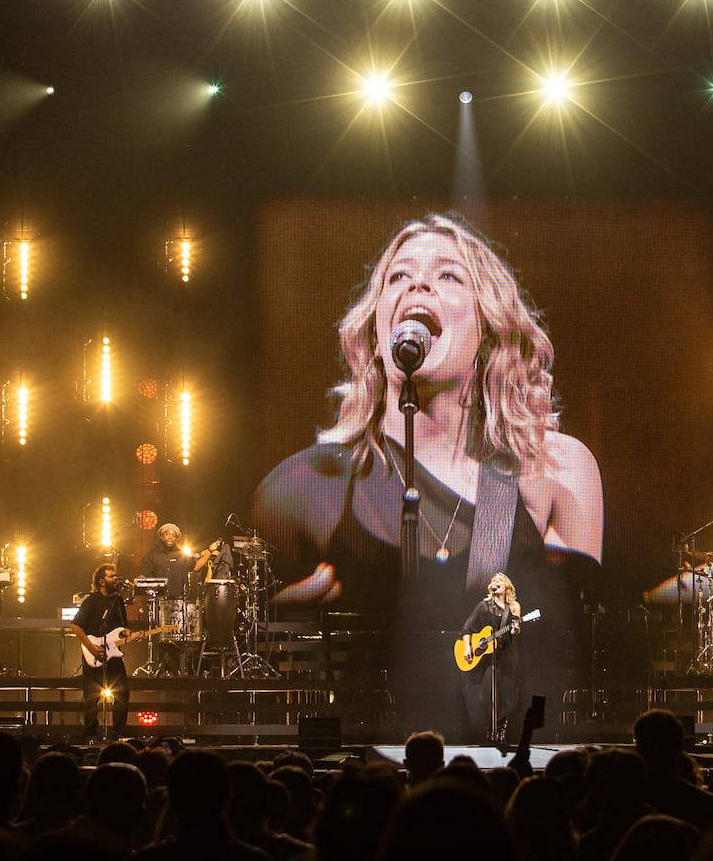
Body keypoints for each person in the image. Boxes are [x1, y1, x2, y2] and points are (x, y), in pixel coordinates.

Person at [252, 212, 603, 733]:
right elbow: (253, 649)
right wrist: (285, 629)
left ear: (488, 327)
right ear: (375, 329)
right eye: (398, 276)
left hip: (505, 761)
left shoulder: (556, 469)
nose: (417, 283)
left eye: (448, 275)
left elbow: (577, 649)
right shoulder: (304, 486)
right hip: (361, 762)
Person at [69, 562, 137, 740]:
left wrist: (132, 634)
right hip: (94, 653)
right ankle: (90, 735)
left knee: (122, 694)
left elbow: (123, 628)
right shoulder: (92, 601)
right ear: (101, 581)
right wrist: (91, 647)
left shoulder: (119, 601)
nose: (116, 579)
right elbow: (75, 626)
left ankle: (117, 733)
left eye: (116, 576)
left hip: (113, 656)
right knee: (91, 698)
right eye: (111, 576)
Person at [459, 571, 525, 741]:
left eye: (500, 580)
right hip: (488, 657)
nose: (496, 582)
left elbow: (516, 628)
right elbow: (467, 628)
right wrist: (468, 647)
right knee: (488, 692)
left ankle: (502, 731)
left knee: (507, 692)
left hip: (507, 654)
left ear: (506, 587)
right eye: (494, 580)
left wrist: (515, 629)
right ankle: (490, 729)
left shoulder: (514, 606)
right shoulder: (484, 606)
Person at [141, 523, 212, 598]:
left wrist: (210, 551)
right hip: (158, 601)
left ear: (176, 539)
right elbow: (144, 575)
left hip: (181, 601)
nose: (170, 537)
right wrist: (141, 579)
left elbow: (196, 566)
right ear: (161, 536)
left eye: (173, 535)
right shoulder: (151, 555)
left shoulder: (182, 555)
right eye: (167, 534)